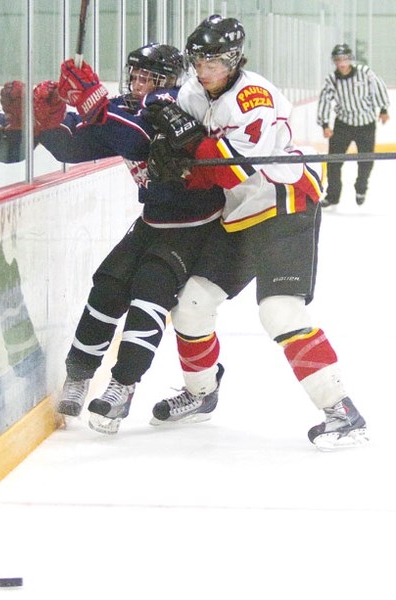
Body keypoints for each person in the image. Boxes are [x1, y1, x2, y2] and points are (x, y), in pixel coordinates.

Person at [145, 15, 368, 450]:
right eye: (197, 61)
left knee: (279, 313)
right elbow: (195, 169)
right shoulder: (191, 92)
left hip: (284, 203)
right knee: (191, 304)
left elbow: (229, 169)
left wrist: (188, 147)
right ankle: (200, 394)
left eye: (213, 62)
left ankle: (343, 412)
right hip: (240, 216)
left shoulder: (254, 96)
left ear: (232, 60)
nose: (203, 70)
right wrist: (173, 157)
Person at [16, 44, 225, 435]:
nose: (141, 84)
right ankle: (79, 376)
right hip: (153, 221)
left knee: (149, 295)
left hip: (196, 226)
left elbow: (140, 138)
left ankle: (122, 387)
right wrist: (47, 120)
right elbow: (78, 146)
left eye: (151, 77)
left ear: (170, 80)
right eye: (136, 75)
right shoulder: (122, 109)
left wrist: (97, 109)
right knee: (108, 286)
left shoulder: (179, 104)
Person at [317, 43, 390, 207]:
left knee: (366, 160)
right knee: (334, 161)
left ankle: (361, 189)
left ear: (350, 59)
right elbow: (324, 100)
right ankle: (333, 196)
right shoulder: (332, 79)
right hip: (343, 124)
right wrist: (325, 124)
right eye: (338, 60)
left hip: (366, 124)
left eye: (345, 59)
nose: (342, 63)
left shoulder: (365, 73)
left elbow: (379, 87)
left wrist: (383, 109)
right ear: (334, 61)